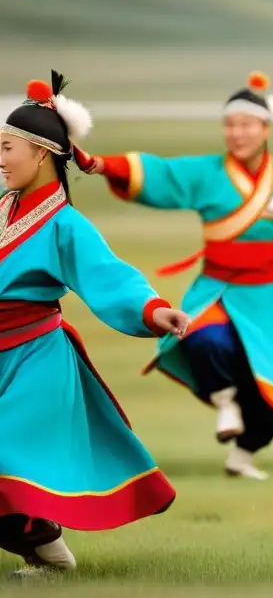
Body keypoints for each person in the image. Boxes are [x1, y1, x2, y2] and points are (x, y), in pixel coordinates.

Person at [76, 72, 273, 481]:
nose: (237, 133)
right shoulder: (206, 173)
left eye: (245, 125)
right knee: (201, 337)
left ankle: (244, 453)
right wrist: (100, 165)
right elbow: (160, 174)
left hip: (272, 297)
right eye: (230, 125)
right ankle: (225, 402)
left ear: (264, 128)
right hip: (217, 289)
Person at [0, 72, 189, 577]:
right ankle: (41, 549)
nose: (0, 159)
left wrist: (153, 310)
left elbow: (111, 279)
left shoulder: (65, 224)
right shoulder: (2, 207)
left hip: (34, 358)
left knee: (8, 456)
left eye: (7, 147)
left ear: (41, 153)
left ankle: (51, 549)